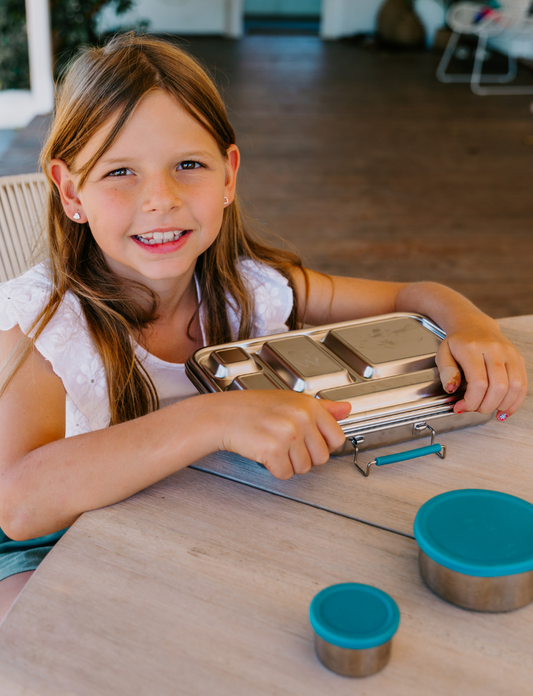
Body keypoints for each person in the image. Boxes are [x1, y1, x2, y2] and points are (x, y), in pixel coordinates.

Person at [0, 33, 526, 621]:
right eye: (120, 171)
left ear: (228, 177)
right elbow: (19, 503)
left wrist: (471, 324)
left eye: (188, 166)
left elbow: (411, 295)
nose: (160, 199)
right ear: (72, 192)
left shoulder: (251, 286)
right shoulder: (42, 322)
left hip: (208, 515)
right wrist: (214, 417)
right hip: (49, 544)